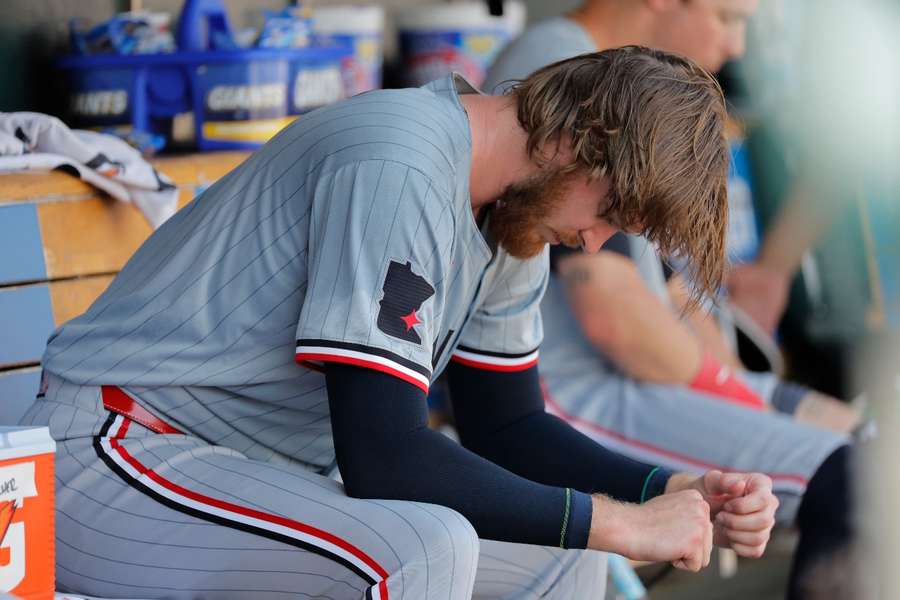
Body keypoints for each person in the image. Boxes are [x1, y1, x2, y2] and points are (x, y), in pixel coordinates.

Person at [22, 48, 776, 600]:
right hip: (117, 459)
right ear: (573, 142)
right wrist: (623, 526)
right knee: (420, 546)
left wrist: (668, 488)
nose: (594, 241)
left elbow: (507, 428)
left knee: (559, 557)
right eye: (608, 214)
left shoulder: (514, 217)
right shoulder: (404, 161)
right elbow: (383, 455)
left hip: (241, 477)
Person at [483, 2, 856, 599]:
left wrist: (762, 394)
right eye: (726, 17)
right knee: (856, 484)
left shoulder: (632, 84)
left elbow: (669, 294)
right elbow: (614, 317)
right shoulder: (567, 64)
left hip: (635, 379)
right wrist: (748, 402)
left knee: (870, 447)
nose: (736, 46)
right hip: (571, 392)